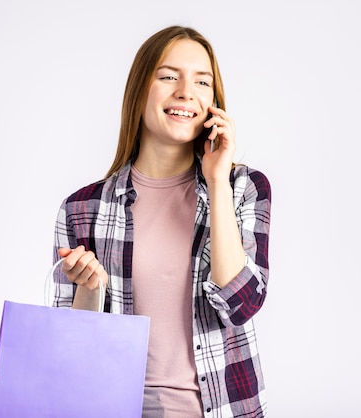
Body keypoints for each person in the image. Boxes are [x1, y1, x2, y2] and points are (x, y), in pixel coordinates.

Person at [51, 25, 271, 417]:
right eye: (169, 76)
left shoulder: (244, 187)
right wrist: (89, 288)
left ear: (214, 103)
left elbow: (240, 304)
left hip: (223, 409)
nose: (186, 91)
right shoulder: (82, 208)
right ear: (139, 91)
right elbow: (73, 352)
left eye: (202, 82)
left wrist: (217, 179)